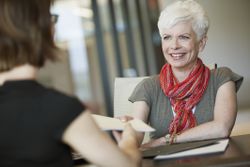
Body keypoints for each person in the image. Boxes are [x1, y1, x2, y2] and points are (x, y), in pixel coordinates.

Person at [0, 0, 141, 167]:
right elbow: (127, 165)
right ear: (41, 29)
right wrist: (130, 139)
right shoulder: (58, 108)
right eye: (52, 18)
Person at [119, 0, 243, 149]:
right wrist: (127, 133)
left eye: (183, 37)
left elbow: (222, 128)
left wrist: (167, 140)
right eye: (167, 37)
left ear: (201, 43)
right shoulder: (148, 86)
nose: (174, 46)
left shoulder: (221, 78)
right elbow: (136, 136)